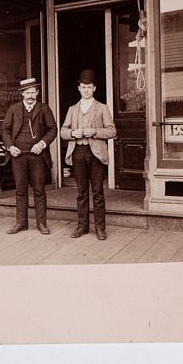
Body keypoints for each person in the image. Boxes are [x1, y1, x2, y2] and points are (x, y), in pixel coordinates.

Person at [60, 69, 117, 240]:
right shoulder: (72, 109)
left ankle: (100, 228)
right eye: (83, 87)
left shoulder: (102, 108)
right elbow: (62, 131)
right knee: (81, 192)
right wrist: (72, 134)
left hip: (96, 154)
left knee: (98, 191)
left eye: (89, 87)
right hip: (78, 152)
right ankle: (82, 227)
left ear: (94, 89)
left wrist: (94, 131)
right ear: (79, 88)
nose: (86, 90)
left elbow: (112, 131)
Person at [1, 77, 58, 235]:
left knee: (39, 190)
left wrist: (42, 144)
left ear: (37, 93)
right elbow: (5, 130)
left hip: (37, 156)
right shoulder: (13, 109)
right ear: (22, 94)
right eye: (27, 92)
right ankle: (21, 223)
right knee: (20, 190)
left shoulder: (44, 109)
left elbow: (52, 129)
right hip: (18, 156)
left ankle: (41, 223)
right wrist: (10, 146)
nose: (30, 95)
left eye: (33, 92)